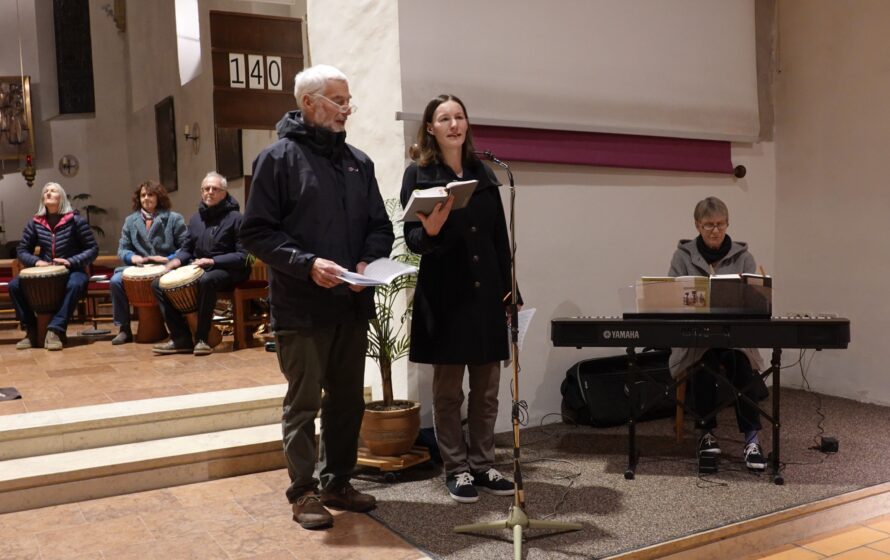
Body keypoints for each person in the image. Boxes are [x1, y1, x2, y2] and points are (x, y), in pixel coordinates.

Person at [240, 64, 394, 530]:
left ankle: (337, 482)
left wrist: (366, 263)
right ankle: (303, 491)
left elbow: (380, 226)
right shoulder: (276, 159)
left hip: (351, 302)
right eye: (338, 101)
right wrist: (308, 264)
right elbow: (256, 233)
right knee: (304, 403)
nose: (347, 109)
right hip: (301, 305)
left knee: (347, 400)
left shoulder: (358, 162)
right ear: (308, 103)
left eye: (348, 101)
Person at [401, 94, 516, 503]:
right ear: (430, 128)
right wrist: (431, 231)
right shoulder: (418, 174)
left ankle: (483, 464)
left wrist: (511, 292)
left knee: (486, 391)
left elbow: (499, 238)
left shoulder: (484, 172)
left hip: (486, 294)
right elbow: (412, 240)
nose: (454, 124)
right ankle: (457, 468)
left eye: (460, 117)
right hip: (446, 297)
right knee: (449, 392)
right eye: (444, 118)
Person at [668, 196, 767, 470]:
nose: (715, 230)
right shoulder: (682, 256)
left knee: (742, 366)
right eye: (708, 225)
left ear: (727, 224)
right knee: (703, 366)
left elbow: (754, 300)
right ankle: (706, 434)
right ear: (697, 225)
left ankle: (752, 439)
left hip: (733, 337)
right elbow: (671, 297)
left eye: (720, 224)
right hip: (696, 337)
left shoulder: (744, 257)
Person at [151, 172, 249, 356]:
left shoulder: (236, 218)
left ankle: (202, 338)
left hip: (231, 270)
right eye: (206, 189)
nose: (209, 192)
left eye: (215, 189)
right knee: (158, 284)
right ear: (201, 192)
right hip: (201, 268)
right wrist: (175, 261)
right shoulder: (196, 219)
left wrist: (213, 261)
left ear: (224, 193)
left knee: (206, 280)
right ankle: (180, 338)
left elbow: (244, 256)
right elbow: (187, 248)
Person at [9, 181, 98, 351]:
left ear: (61, 197)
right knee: (14, 286)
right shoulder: (35, 222)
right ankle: (31, 331)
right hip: (45, 272)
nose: (48, 193)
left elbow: (92, 249)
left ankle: (56, 329)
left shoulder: (75, 221)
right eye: (46, 191)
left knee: (75, 284)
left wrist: (71, 261)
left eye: (53, 191)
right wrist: (36, 262)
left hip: (73, 270)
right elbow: (22, 250)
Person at [109, 180, 188, 344]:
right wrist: (131, 257)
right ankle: (124, 328)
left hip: (167, 267)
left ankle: (178, 329)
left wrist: (169, 258)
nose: (146, 198)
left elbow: (186, 247)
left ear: (159, 197)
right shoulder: (130, 221)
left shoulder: (174, 219)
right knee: (116, 281)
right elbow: (122, 249)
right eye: (143, 195)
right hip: (139, 268)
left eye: (150, 194)